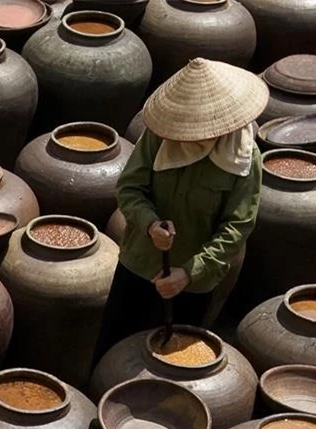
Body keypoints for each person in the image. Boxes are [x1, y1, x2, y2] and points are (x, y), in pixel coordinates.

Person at [105, 58, 269, 346]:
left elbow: (238, 226)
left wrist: (190, 272)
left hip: (193, 285)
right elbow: (129, 188)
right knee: (115, 348)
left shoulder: (244, 157)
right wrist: (150, 225)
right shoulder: (159, 137)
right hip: (140, 264)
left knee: (171, 355)